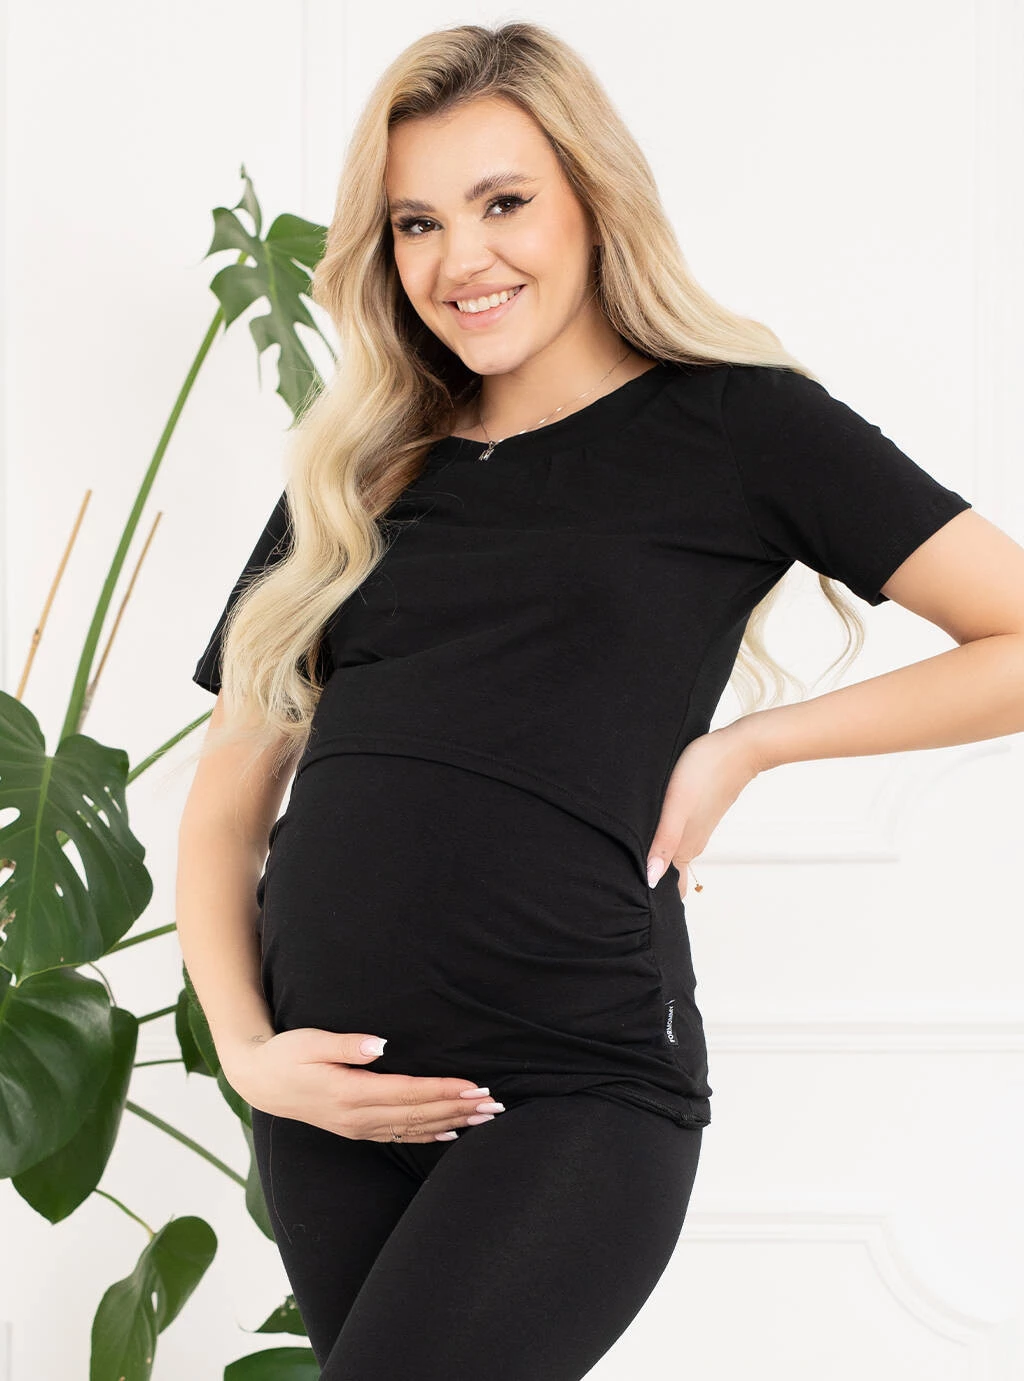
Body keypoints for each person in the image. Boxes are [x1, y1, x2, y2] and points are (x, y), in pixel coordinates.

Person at [175, 21, 1023, 1380]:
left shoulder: (740, 425)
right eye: (416, 223)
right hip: (329, 1104)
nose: (461, 259)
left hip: (571, 1085)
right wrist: (248, 1053)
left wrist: (752, 746)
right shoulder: (355, 471)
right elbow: (227, 802)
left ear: (591, 197)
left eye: (503, 202)